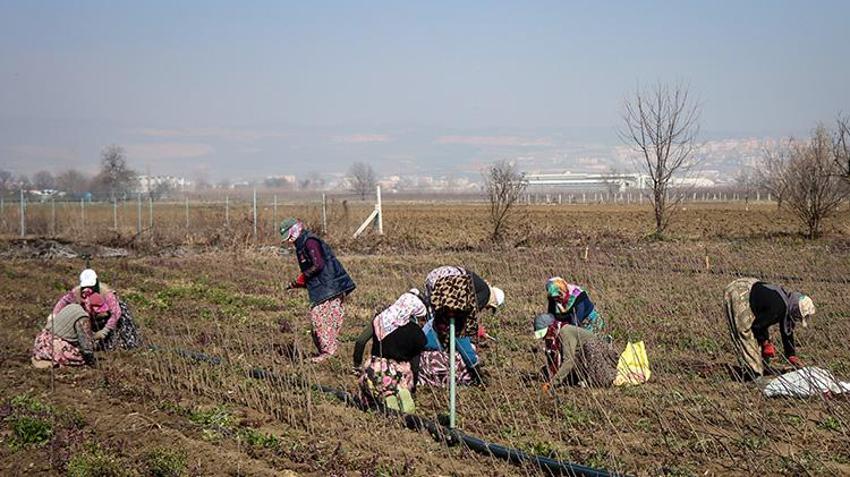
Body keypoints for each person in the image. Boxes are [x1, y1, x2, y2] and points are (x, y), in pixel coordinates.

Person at [281, 218, 356, 363]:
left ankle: (328, 353)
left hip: (330, 287)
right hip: (325, 287)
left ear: (295, 230)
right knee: (324, 320)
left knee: (319, 319)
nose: (289, 241)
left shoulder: (309, 242)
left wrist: (302, 279)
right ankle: (328, 352)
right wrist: (299, 283)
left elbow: (318, 265)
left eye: (289, 237)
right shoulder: (301, 244)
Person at [418, 266, 503, 386]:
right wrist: (478, 373)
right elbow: (462, 326)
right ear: (493, 301)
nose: (485, 309)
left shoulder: (436, 320)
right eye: (489, 308)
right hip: (449, 280)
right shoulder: (485, 295)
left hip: (434, 277)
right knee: (463, 349)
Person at [353, 289, 428, 412]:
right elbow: (415, 365)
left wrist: (356, 366)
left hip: (374, 370)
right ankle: (396, 400)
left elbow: (360, 341)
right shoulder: (416, 333)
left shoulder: (380, 320)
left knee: (370, 399)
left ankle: (374, 399)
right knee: (403, 406)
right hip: (398, 376)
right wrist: (413, 387)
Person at [723, 278, 815, 378]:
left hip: (754, 289)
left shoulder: (789, 302)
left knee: (760, 334)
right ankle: (753, 373)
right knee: (745, 332)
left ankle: (760, 366)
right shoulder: (778, 308)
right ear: (795, 309)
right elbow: (757, 326)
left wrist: (791, 355)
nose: (797, 320)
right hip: (740, 291)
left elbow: (787, 332)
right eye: (798, 317)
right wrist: (766, 342)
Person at [52, 268, 141, 351]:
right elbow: (63, 301)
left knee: (114, 344)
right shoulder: (77, 292)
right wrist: (54, 315)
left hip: (110, 319)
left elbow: (116, 313)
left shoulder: (106, 293)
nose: (89, 288)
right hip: (92, 317)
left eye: (91, 285)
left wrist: (105, 331)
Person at [533, 313, 618, 390]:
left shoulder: (565, 332)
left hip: (599, 358)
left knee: (588, 347)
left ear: (550, 327)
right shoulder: (553, 337)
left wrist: (552, 384)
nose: (544, 338)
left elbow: (569, 360)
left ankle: (596, 380)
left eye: (545, 334)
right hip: (582, 359)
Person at [32, 303, 97, 368]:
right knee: (79, 358)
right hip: (54, 345)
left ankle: (43, 358)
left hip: (41, 341)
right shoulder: (83, 317)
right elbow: (86, 344)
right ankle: (53, 363)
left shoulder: (72, 306)